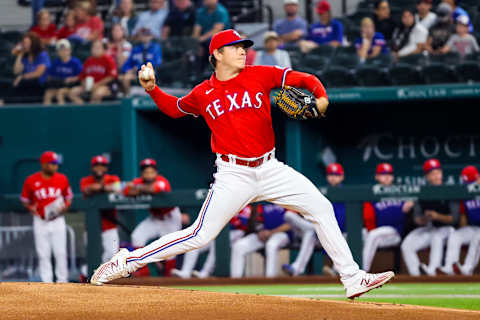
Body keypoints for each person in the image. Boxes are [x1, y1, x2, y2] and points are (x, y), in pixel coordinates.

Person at [91, 29, 394, 300]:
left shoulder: (259, 74)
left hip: (271, 168)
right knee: (199, 235)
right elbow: (174, 109)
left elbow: (305, 79)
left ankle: (352, 278)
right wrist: (152, 89)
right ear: (217, 55)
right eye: (235, 47)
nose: (243, 51)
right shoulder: (202, 93)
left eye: (244, 46)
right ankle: (127, 262)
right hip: (233, 174)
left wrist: (322, 97)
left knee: (322, 208)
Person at [282, 163, 347, 277]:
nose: (333, 177)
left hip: (340, 233)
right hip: (320, 232)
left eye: (336, 175)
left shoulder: (347, 193)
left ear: (342, 177)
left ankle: (337, 270)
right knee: (309, 232)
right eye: (330, 174)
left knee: (315, 231)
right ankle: (296, 269)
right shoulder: (321, 193)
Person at [123, 158, 182, 277]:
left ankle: (169, 277)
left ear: (156, 173)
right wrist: (136, 188)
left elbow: (154, 188)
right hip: (155, 217)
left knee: (170, 248)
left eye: (151, 172)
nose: (149, 175)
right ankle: (143, 272)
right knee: (137, 236)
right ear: (142, 174)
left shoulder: (162, 181)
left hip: (170, 217)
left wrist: (138, 188)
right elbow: (126, 191)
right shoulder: (139, 181)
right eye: (146, 172)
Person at [20, 151, 73, 283]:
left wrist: (65, 206)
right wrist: (30, 207)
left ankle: (62, 281)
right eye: (52, 164)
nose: (55, 167)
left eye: (56, 164)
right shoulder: (31, 180)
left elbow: (68, 197)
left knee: (60, 253)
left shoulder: (62, 178)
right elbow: (25, 199)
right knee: (43, 254)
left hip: (57, 219)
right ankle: (46, 283)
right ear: (43, 164)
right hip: (40, 220)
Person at [401, 159, 459, 276]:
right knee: (406, 244)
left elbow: (454, 219)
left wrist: (437, 216)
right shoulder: (423, 192)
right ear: (427, 177)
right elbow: (416, 219)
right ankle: (417, 275)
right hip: (430, 227)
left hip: (448, 230)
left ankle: (432, 271)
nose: (437, 176)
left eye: (438, 172)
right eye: (433, 173)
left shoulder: (450, 190)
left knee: (436, 237)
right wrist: (425, 219)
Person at [362, 163, 414, 272]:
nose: (386, 177)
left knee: (373, 235)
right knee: (357, 235)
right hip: (377, 232)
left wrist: (405, 208)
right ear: (377, 177)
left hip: (394, 233)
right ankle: (339, 270)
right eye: (383, 174)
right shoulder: (371, 193)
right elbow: (367, 218)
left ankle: (362, 272)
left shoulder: (400, 192)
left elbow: (398, 218)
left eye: (389, 174)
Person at [437, 166, 480, 275]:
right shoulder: (465, 193)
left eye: (472, 182)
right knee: (456, 235)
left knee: (478, 236)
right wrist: (463, 231)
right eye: (468, 183)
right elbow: (463, 216)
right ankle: (449, 267)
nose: (470, 185)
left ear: (478, 178)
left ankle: (467, 269)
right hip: (474, 227)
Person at [231, 204, 292, 278]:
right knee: (238, 246)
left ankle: (270, 281)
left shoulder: (287, 200)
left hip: (282, 234)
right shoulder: (263, 199)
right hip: (263, 234)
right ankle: (236, 281)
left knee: (271, 245)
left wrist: (271, 232)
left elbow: (291, 224)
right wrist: (259, 231)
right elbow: (257, 219)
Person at [80, 156, 122, 263]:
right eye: (96, 166)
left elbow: (118, 188)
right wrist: (105, 188)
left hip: (110, 225)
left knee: (112, 255)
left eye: (102, 166)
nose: (99, 168)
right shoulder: (85, 180)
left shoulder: (113, 178)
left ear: (106, 168)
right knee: (92, 256)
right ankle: (88, 275)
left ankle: (100, 274)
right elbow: (87, 189)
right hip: (91, 227)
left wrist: (98, 188)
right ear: (92, 168)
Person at [68, 39, 117, 104]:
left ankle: (93, 113)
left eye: (98, 47)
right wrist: (84, 85)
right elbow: (82, 76)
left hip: (105, 86)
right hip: (89, 86)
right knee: (72, 93)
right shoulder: (88, 61)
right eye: (94, 47)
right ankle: (84, 109)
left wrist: (97, 85)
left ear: (103, 49)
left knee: (97, 94)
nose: (95, 49)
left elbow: (111, 77)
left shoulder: (108, 60)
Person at [120, 28, 162, 96]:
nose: (145, 37)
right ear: (140, 37)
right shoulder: (136, 49)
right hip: (136, 73)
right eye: (143, 35)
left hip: (150, 72)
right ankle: (128, 98)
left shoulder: (156, 47)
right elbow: (128, 63)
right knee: (124, 77)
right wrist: (127, 70)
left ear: (151, 36)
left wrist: (139, 67)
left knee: (149, 74)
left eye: (147, 35)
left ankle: (151, 96)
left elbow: (157, 63)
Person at [10, 32, 51, 101]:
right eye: (24, 43)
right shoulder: (25, 56)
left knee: (21, 83)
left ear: (34, 43)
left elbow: (38, 73)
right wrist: (20, 54)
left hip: (40, 82)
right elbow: (16, 71)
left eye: (27, 43)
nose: (25, 45)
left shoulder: (42, 54)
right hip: (28, 82)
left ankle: (5, 102)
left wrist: (22, 77)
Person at [43, 39, 83, 105]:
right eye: (60, 50)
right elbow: (49, 75)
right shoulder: (56, 62)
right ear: (57, 52)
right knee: (48, 93)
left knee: (60, 93)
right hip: (58, 85)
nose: (63, 52)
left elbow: (81, 75)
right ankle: (46, 114)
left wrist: (71, 79)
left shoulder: (76, 62)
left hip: (71, 87)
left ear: (70, 50)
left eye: (65, 50)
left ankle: (62, 114)